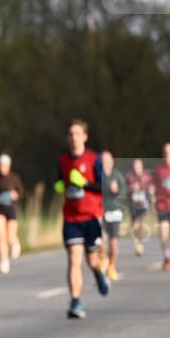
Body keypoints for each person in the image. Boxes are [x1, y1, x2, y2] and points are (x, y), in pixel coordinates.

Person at [54, 119, 109, 319]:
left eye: (77, 133)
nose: (73, 137)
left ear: (84, 137)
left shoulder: (95, 159)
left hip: (92, 217)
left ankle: (98, 272)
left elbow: (104, 187)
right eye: (70, 134)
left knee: (92, 260)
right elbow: (60, 179)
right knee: (74, 259)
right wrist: (60, 185)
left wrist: (85, 183)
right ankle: (75, 302)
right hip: (71, 218)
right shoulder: (62, 160)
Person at [0, 154, 24, 274]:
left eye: (4, 165)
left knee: (10, 236)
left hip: (11, 209)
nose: (2, 167)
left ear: (8, 166)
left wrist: (15, 195)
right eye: (0, 165)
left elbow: (21, 192)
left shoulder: (14, 177)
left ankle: (15, 243)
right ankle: (3, 260)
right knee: (0, 235)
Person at [100, 150, 126, 280]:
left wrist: (117, 191)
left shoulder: (117, 176)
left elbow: (124, 192)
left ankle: (111, 265)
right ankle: (103, 259)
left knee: (113, 239)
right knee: (100, 238)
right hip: (100, 210)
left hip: (114, 210)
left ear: (112, 162)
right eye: (103, 161)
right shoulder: (98, 175)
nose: (105, 163)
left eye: (107, 161)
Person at [125, 158, 154, 256]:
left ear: (142, 166)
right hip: (133, 205)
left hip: (143, 204)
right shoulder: (129, 176)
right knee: (135, 226)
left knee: (139, 223)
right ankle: (138, 244)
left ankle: (139, 245)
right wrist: (131, 188)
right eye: (135, 166)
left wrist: (146, 188)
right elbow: (124, 189)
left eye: (138, 166)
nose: (137, 168)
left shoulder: (147, 176)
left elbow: (151, 187)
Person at [155, 143, 170, 270]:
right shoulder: (159, 170)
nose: (167, 154)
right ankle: (166, 257)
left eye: (169, 151)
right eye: (165, 152)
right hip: (163, 206)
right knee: (163, 230)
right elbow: (153, 185)